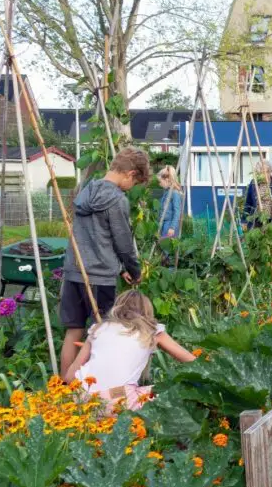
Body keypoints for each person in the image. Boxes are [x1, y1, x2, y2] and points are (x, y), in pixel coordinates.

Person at [60, 148, 150, 378]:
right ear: (130, 174)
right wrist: (132, 268)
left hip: (74, 271)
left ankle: (62, 389)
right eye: (136, 181)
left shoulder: (84, 192)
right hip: (100, 277)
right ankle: (95, 388)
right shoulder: (116, 200)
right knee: (100, 333)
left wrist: (120, 270)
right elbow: (122, 241)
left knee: (74, 331)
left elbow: (94, 237)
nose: (133, 186)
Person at [62, 290, 196, 411]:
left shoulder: (97, 329)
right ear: (147, 311)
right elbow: (192, 361)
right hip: (118, 398)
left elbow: (69, 377)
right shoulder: (152, 331)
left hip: (83, 401)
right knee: (171, 391)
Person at [243, 158, 272, 227]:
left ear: (270, 171)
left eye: (266, 172)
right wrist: (244, 221)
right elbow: (248, 203)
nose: (263, 175)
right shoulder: (254, 183)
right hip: (257, 220)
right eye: (260, 172)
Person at [156, 165, 184, 241]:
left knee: (167, 248)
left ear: (167, 180)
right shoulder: (166, 192)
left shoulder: (175, 193)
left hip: (170, 225)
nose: (159, 184)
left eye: (160, 181)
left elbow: (177, 211)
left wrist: (172, 227)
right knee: (162, 245)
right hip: (164, 223)